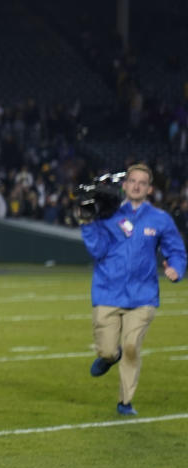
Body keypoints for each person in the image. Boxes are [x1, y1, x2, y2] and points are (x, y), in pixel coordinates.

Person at [81, 163, 186, 415]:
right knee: (108, 350)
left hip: (143, 295)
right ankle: (108, 357)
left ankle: (125, 401)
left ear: (149, 189)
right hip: (107, 290)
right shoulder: (109, 214)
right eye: (132, 181)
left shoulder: (160, 219)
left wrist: (176, 268)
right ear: (125, 185)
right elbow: (97, 250)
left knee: (131, 347)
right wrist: (87, 222)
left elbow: (177, 250)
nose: (137, 185)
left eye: (142, 182)